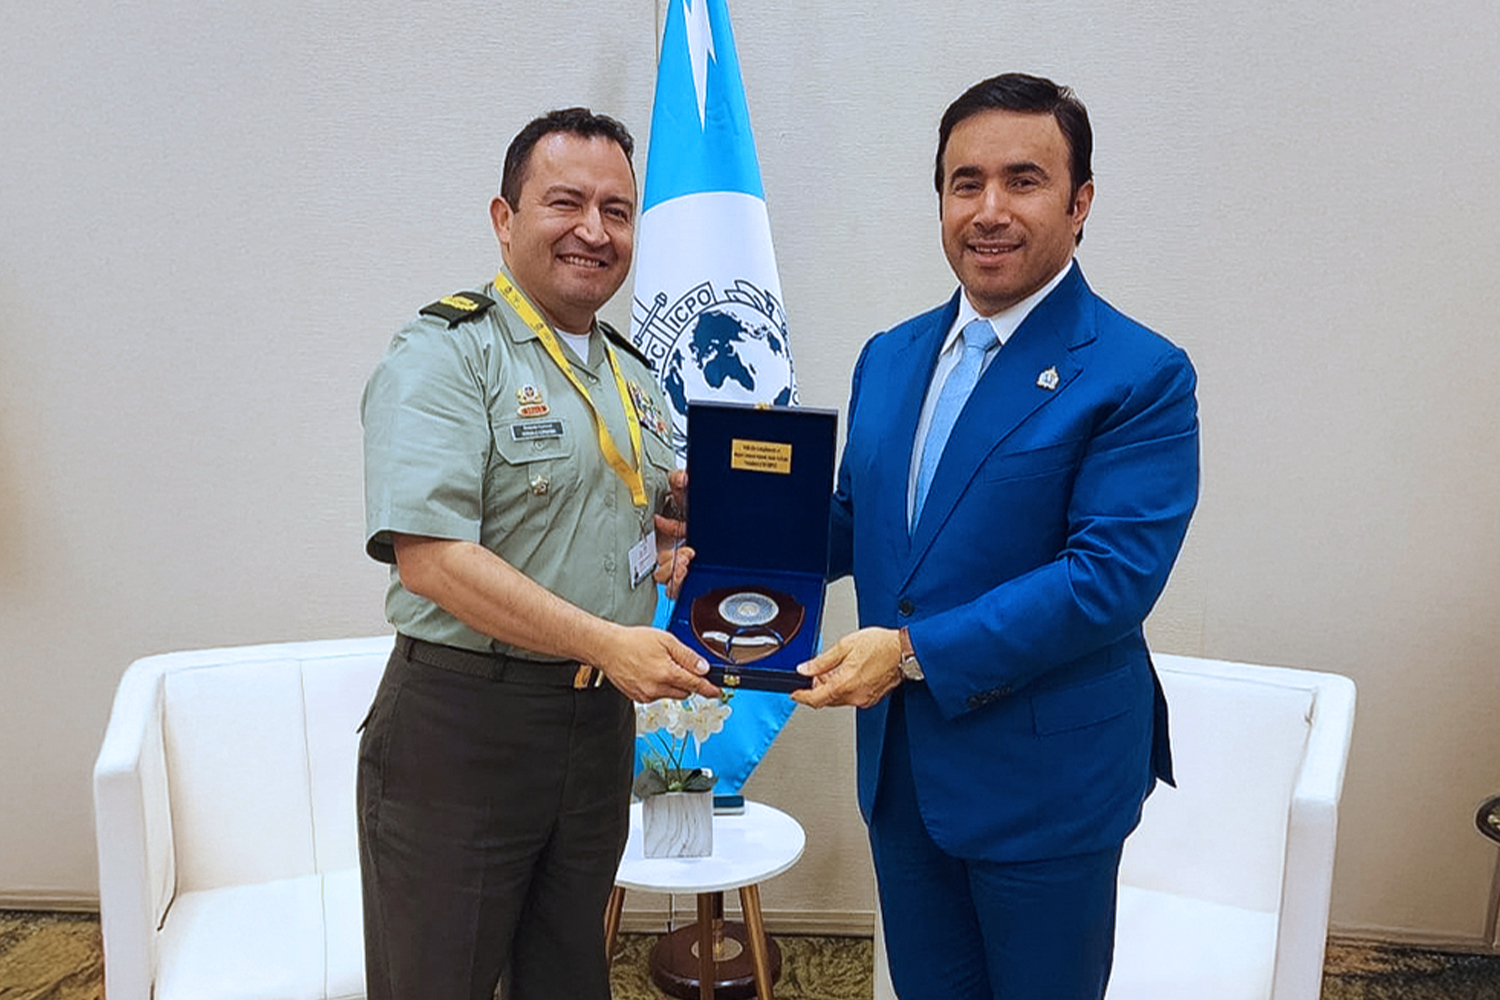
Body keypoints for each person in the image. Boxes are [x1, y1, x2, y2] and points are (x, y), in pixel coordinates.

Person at [794, 74, 1200, 1000]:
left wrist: (907, 653)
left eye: (1023, 181)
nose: (988, 210)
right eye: (964, 182)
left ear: (1080, 202)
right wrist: (735, 533)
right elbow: (863, 524)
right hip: (904, 774)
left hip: (1047, 786)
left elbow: (1106, 580)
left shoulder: (1139, 374)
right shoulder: (890, 356)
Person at [357, 107, 718, 1000]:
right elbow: (433, 559)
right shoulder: (446, 354)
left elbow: (604, 515)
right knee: (438, 982)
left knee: (568, 974)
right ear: (504, 218)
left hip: (593, 729)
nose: (594, 230)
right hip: (464, 730)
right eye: (566, 203)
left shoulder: (633, 374)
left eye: (616, 210)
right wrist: (608, 641)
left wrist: (667, 539)